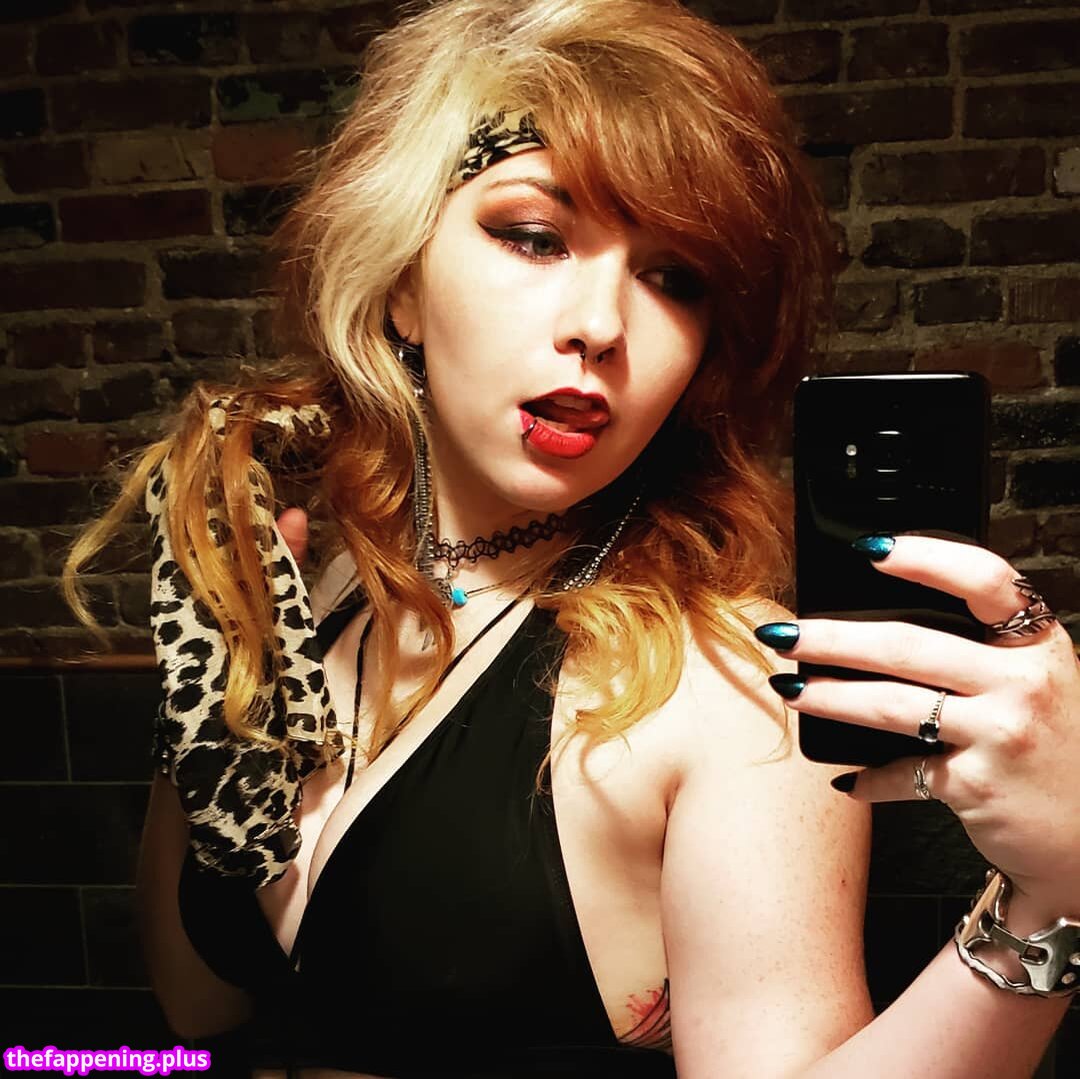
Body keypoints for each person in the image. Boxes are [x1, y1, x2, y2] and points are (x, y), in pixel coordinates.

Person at [63, 1, 1080, 1076]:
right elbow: (200, 1003)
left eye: (675, 277)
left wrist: (1058, 897)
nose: (600, 324)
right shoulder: (325, 590)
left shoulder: (722, 685)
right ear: (403, 283)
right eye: (535, 237)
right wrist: (214, 691)